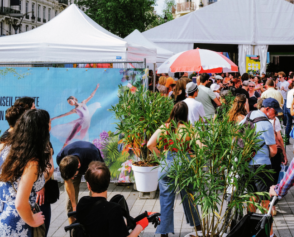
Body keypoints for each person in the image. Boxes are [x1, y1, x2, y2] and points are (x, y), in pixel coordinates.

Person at [0, 109, 52, 237]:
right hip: (17, 221)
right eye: (49, 123)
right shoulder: (33, 162)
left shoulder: (8, 147)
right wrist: (32, 220)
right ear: (43, 129)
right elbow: (20, 203)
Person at [147, 102, 202, 237]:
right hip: (185, 164)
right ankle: (198, 226)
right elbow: (201, 147)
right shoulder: (189, 129)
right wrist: (193, 157)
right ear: (185, 114)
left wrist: (162, 157)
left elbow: (149, 144)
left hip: (168, 164)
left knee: (166, 199)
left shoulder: (164, 128)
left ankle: (164, 232)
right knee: (190, 196)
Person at [76, 161, 152, 237]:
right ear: (108, 182)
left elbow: (97, 223)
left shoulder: (83, 202)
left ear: (88, 185)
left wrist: (125, 221)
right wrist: (140, 226)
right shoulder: (113, 209)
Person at [242, 98, 278, 212]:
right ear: (267, 109)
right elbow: (273, 151)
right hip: (262, 165)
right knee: (265, 199)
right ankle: (267, 229)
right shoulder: (266, 124)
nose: (277, 114)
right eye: (275, 111)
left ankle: (250, 224)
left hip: (247, 162)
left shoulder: (249, 115)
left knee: (252, 196)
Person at [57, 140, 104, 223]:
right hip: (74, 163)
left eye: (73, 176)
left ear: (79, 166)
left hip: (91, 162)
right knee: (70, 205)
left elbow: (98, 183)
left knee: (95, 203)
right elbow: (68, 181)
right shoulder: (62, 157)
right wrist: (74, 206)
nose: (72, 178)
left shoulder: (92, 155)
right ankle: (73, 231)